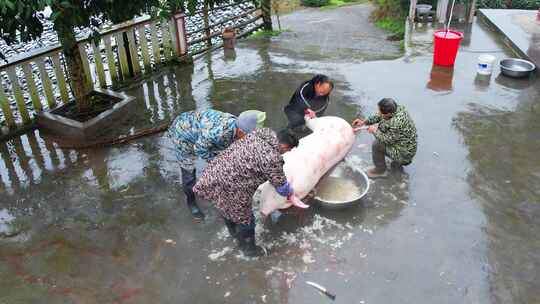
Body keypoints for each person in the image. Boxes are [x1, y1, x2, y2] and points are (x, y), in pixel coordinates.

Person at [193, 129, 299, 257]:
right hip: (232, 186)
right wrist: (292, 192)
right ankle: (249, 250)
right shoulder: (272, 158)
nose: (288, 152)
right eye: (289, 149)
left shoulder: (260, 133)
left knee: (224, 205)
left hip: (214, 173)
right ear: (283, 146)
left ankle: (234, 234)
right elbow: (281, 187)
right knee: (246, 219)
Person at [168, 109, 266, 220]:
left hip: (201, 128)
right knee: (189, 173)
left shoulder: (240, 128)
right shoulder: (219, 133)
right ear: (241, 132)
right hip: (184, 133)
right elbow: (199, 149)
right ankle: (191, 202)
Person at [352, 98, 417, 178]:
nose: (379, 113)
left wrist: (374, 131)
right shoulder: (398, 108)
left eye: (381, 112)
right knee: (382, 128)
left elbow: (387, 140)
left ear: (389, 114)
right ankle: (396, 162)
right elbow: (379, 115)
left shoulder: (396, 123)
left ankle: (380, 170)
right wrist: (364, 122)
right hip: (406, 144)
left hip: (405, 154)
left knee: (377, 145)